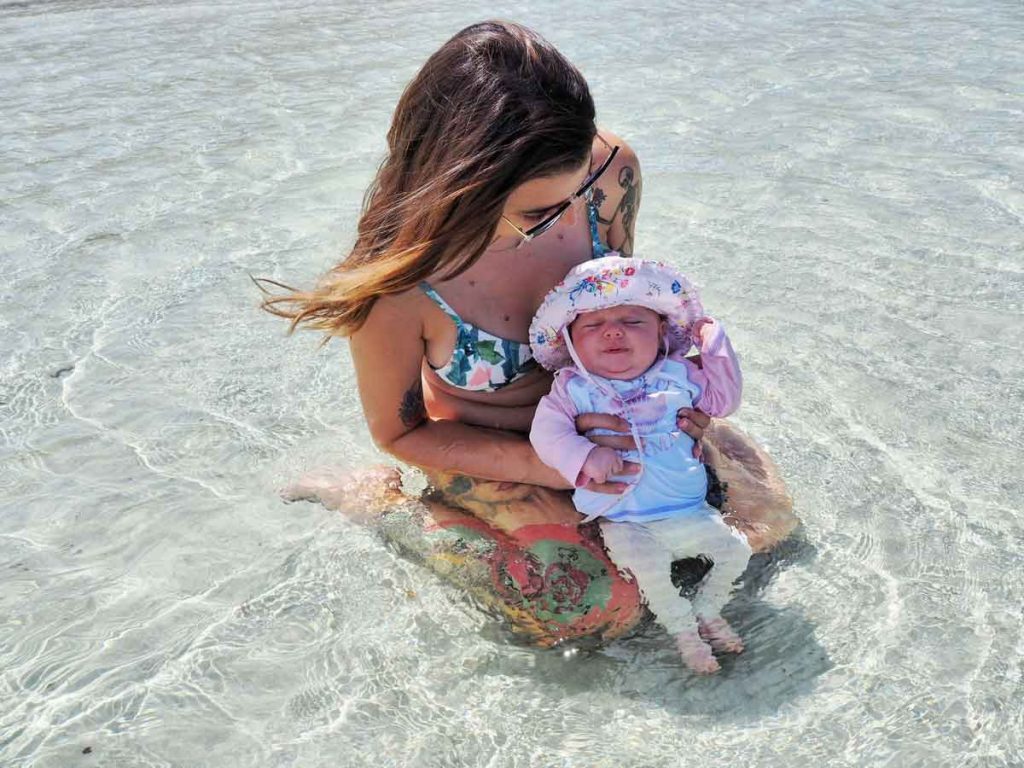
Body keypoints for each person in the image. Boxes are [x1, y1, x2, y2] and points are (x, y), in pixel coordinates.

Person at [262, 20, 796, 646]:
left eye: (574, 194)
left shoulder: (608, 175)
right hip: (498, 443)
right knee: (589, 612)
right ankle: (381, 508)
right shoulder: (398, 285)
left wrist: (685, 400)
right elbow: (399, 430)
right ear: (460, 187)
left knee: (767, 528)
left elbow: (631, 304)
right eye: (537, 213)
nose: (567, 217)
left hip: (624, 414)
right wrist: (560, 468)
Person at [529, 256, 752, 672]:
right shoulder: (572, 389)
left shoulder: (679, 375)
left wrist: (715, 344)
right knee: (650, 571)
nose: (613, 331)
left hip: (689, 511)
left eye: (633, 321)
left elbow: (725, 401)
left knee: (737, 551)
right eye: (593, 326)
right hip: (625, 519)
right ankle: (683, 629)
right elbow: (546, 434)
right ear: (571, 343)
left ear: (662, 332)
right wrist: (585, 456)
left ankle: (708, 607)